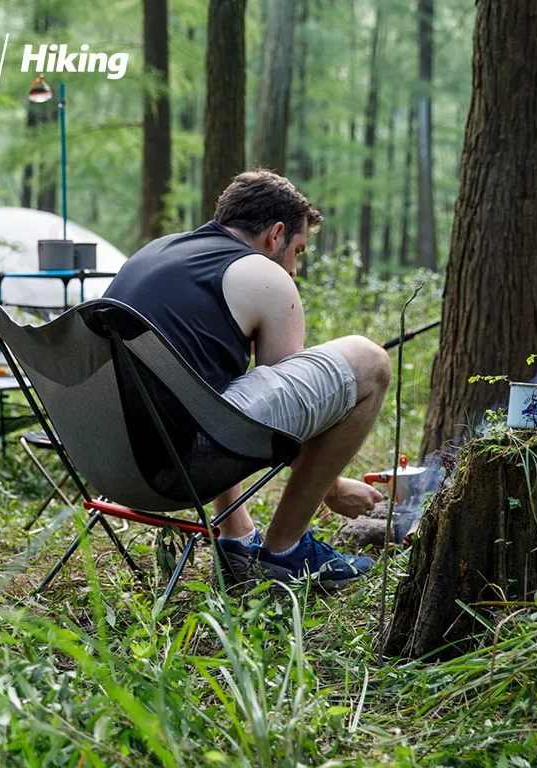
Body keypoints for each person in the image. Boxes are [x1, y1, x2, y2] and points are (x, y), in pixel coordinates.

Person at [105, 170, 392, 589]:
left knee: (216, 387)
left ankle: (236, 538)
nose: (294, 269)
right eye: (297, 250)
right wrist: (333, 490)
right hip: (177, 467)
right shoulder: (263, 273)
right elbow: (286, 425)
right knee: (370, 361)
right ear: (275, 235)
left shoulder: (157, 252)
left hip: (112, 465)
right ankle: (286, 552)